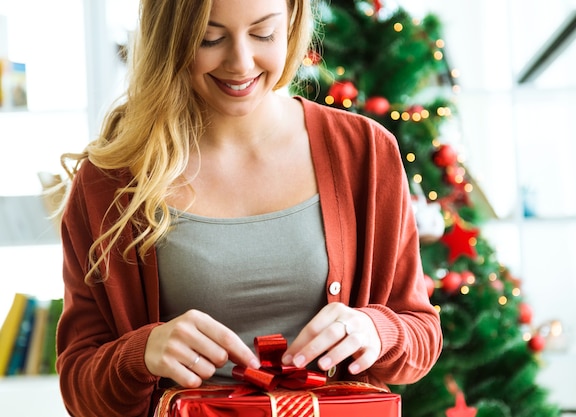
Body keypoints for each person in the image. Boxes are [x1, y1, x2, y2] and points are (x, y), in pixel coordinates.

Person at [56, 0, 443, 416]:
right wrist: (142, 353)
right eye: (211, 38)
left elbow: (422, 334)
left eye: (263, 33)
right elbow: (79, 387)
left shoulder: (365, 152)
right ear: (170, 38)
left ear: (292, 23)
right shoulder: (109, 182)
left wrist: (375, 330)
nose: (241, 63)